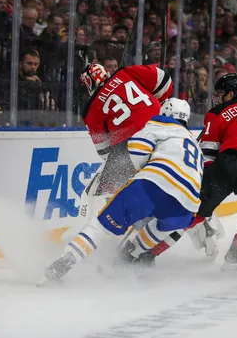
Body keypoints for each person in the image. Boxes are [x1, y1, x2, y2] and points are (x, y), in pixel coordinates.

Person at [39, 98, 203, 284]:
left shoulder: (160, 123)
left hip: (153, 183)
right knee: (160, 226)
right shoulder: (193, 142)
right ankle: (131, 253)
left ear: (166, 111)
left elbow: (137, 148)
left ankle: (65, 262)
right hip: (187, 204)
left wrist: (144, 173)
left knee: (99, 226)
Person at [146, 73, 237, 269]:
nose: (217, 97)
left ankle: (146, 254)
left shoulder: (216, 113)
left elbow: (208, 153)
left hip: (228, 164)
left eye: (220, 93)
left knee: (190, 213)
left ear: (230, 93)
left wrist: (205, 183)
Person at [76, 62, 173, 227]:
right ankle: (199, 221)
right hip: (166, 129)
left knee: (106, 189)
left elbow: (104, 151)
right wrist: (156, 103)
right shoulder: (127, 72)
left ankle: (105, 228)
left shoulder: (91, 109)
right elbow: (165, 82)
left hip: (129, 145)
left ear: (88, 84)